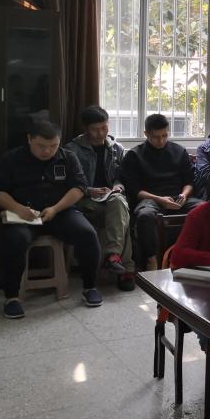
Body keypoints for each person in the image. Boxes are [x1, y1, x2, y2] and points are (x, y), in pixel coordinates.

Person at [0, 122, 103, 318]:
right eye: (41, 146)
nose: (47, 151)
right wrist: (18, 209)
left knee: (87, 234)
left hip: (60, 212)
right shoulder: (11, 159)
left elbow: (79, 188)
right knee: (15, 240)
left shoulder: (68, 157)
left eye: (53, 146)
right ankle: (11, 297)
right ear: (29, 139)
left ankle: (90, 287)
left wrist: (55, 208)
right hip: (24, 215)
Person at [66, 105, 136, 291]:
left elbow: (122, 177)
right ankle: (126, 269)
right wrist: (89, 191)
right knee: (122, 217)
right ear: (86, 129)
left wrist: (118, 186)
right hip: (86, 202)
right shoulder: (72, 150)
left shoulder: (116, 149)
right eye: (95, 129)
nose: (100, 133)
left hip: (110, 199)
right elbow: (67, 182)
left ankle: (113, 256)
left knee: (119, 202)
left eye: (104, 128)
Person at [121, 114, 202, 269]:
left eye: (165, 135)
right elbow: (135, 190)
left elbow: (189, 182)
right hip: (150, 199)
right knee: (145, 215)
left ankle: (197, 254)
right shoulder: (134, 155)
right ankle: (151, 260)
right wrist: (160, 199)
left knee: (204, 208)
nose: (161, 141)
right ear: (146, 134)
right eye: (156, 137)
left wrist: (184, 195)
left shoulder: (179, 151)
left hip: (178, 197)